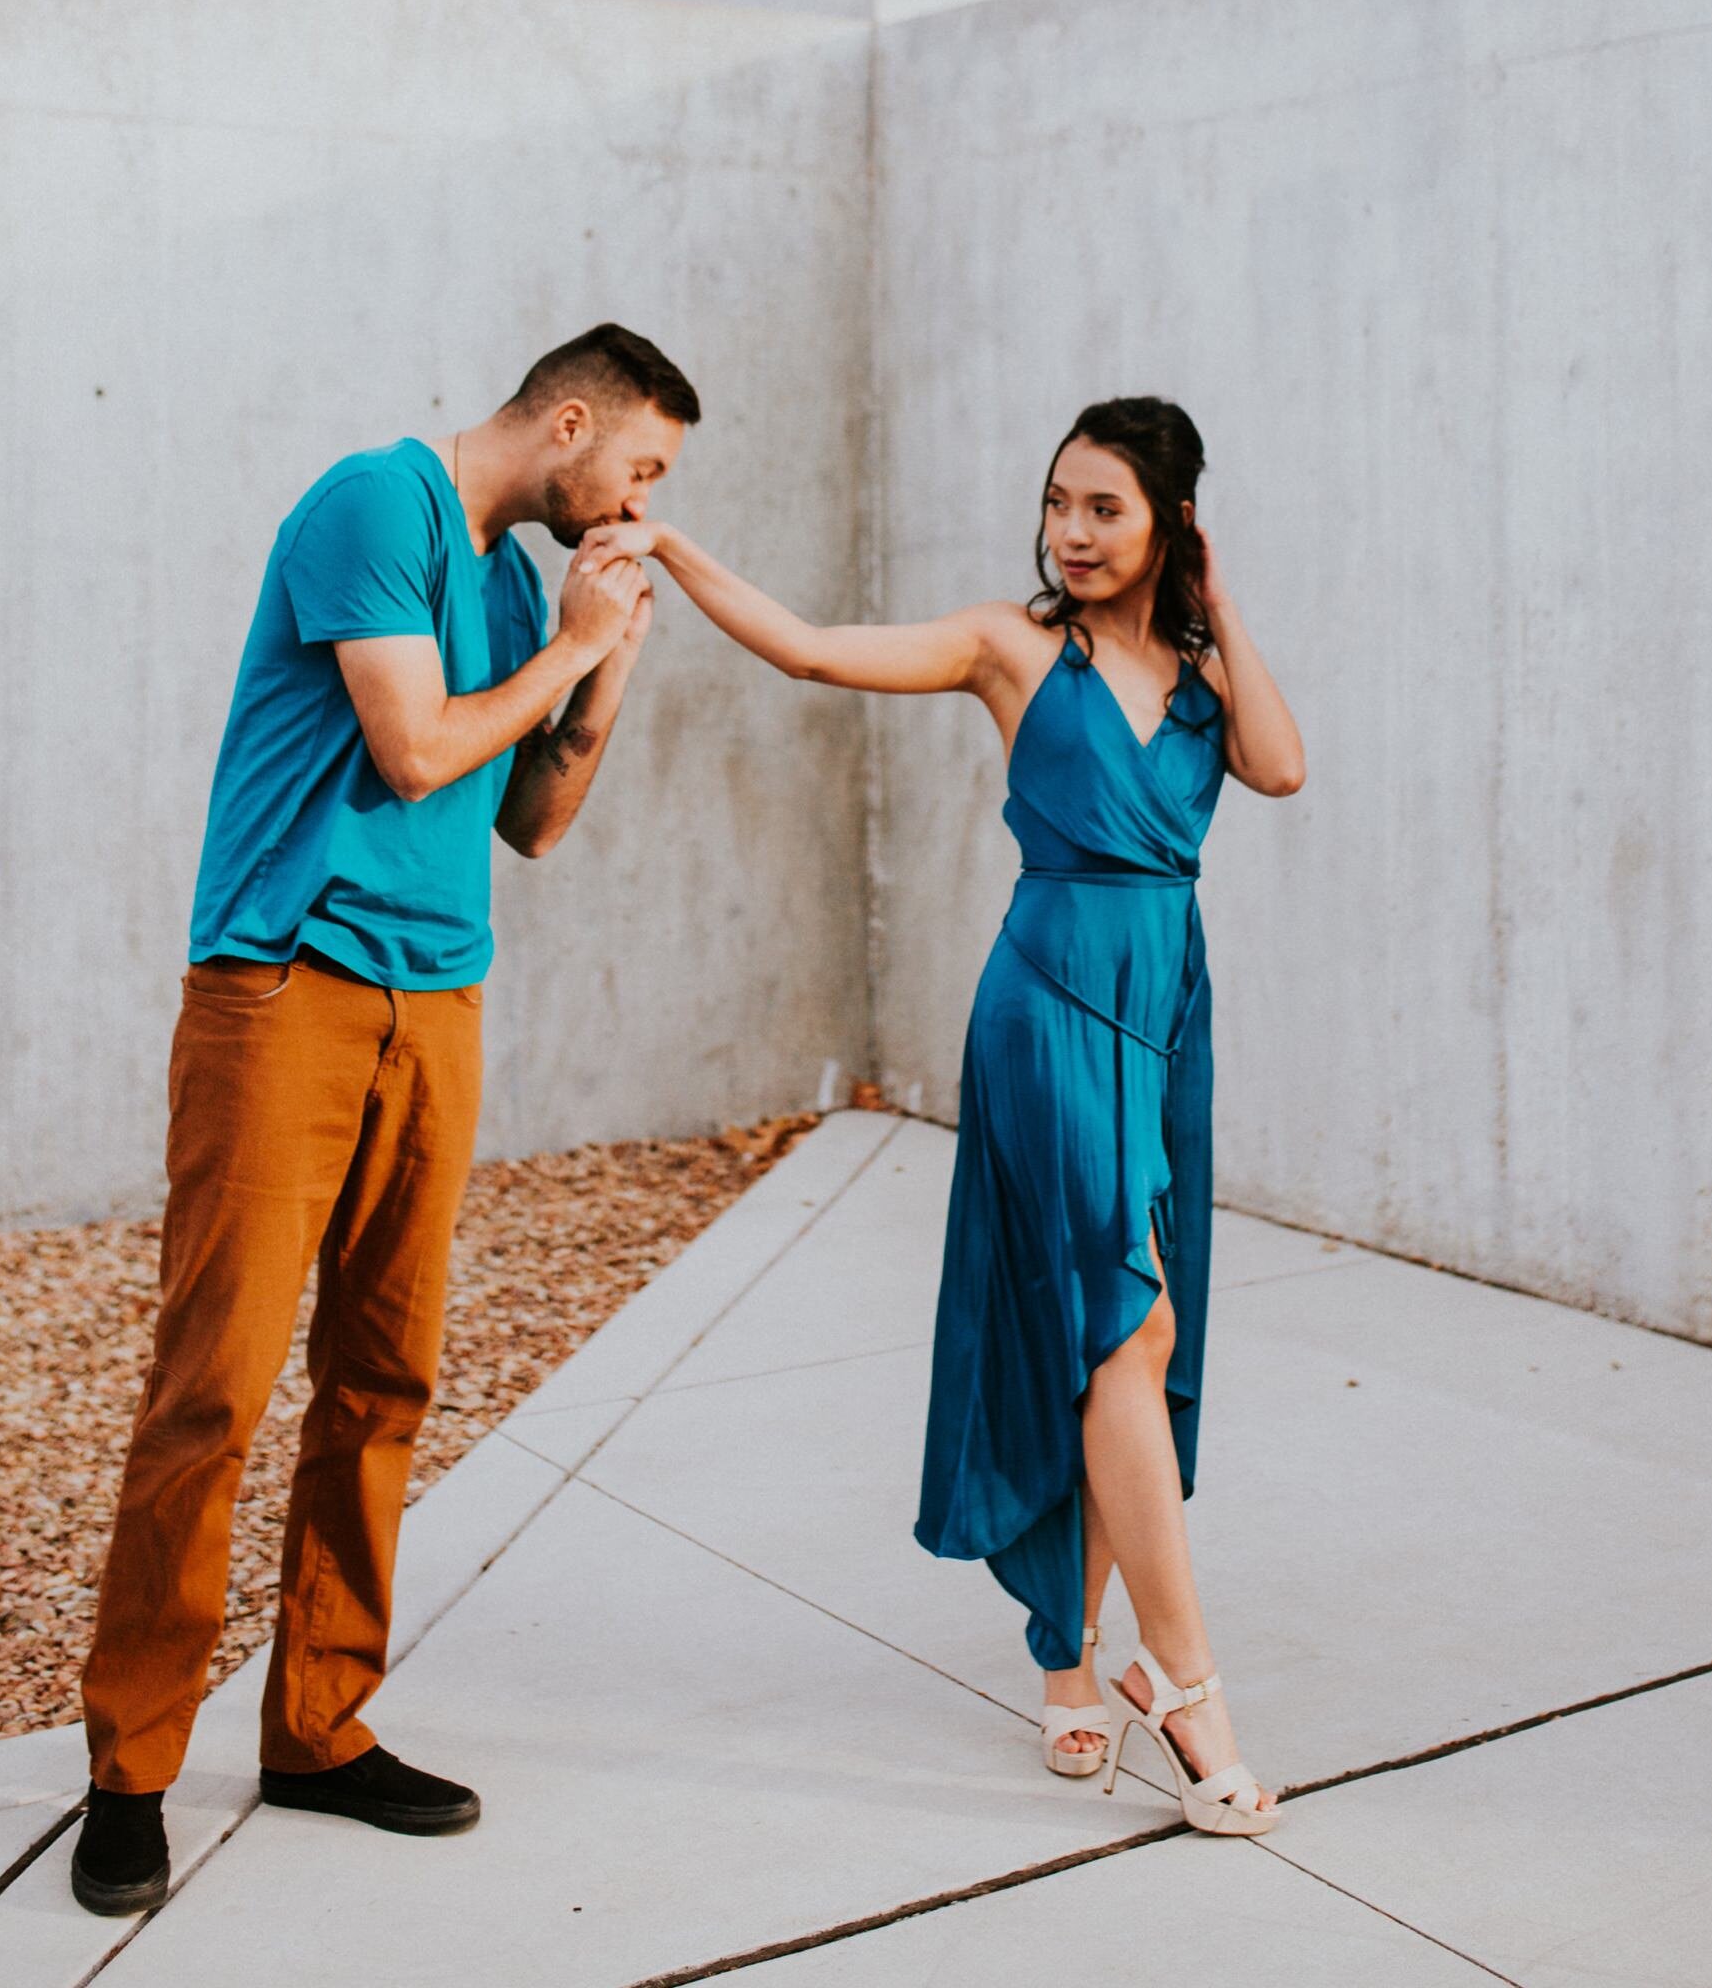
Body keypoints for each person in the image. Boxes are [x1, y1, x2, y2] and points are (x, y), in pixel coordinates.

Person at [591, 395, 1303, 1834]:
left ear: (1170, 519)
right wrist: (673, 548)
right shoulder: (1010, 646)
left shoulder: (1207, 680)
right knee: (1128, 1321)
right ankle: (1189, 1686)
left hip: (1167, 1009)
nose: (1073, 532)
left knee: (1112, 1343)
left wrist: (1224, 609)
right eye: (1058, 504)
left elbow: (1282, 767)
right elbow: (807, 648)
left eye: (1105, 506)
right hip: (1047, 1003)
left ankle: (1064, 1658)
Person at [71, 324, 698, 1916]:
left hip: (441, 998)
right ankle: (132, 1768)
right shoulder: (377, 505)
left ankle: (317, 1728)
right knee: (214, 1382)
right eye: (641, 465)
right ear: (569, 422)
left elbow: (537, 824)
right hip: (285, 987)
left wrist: (605, 660)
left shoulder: (510, 587)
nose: (643, 499)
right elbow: (415, 753)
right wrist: (560, 652)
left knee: (386, 1373)